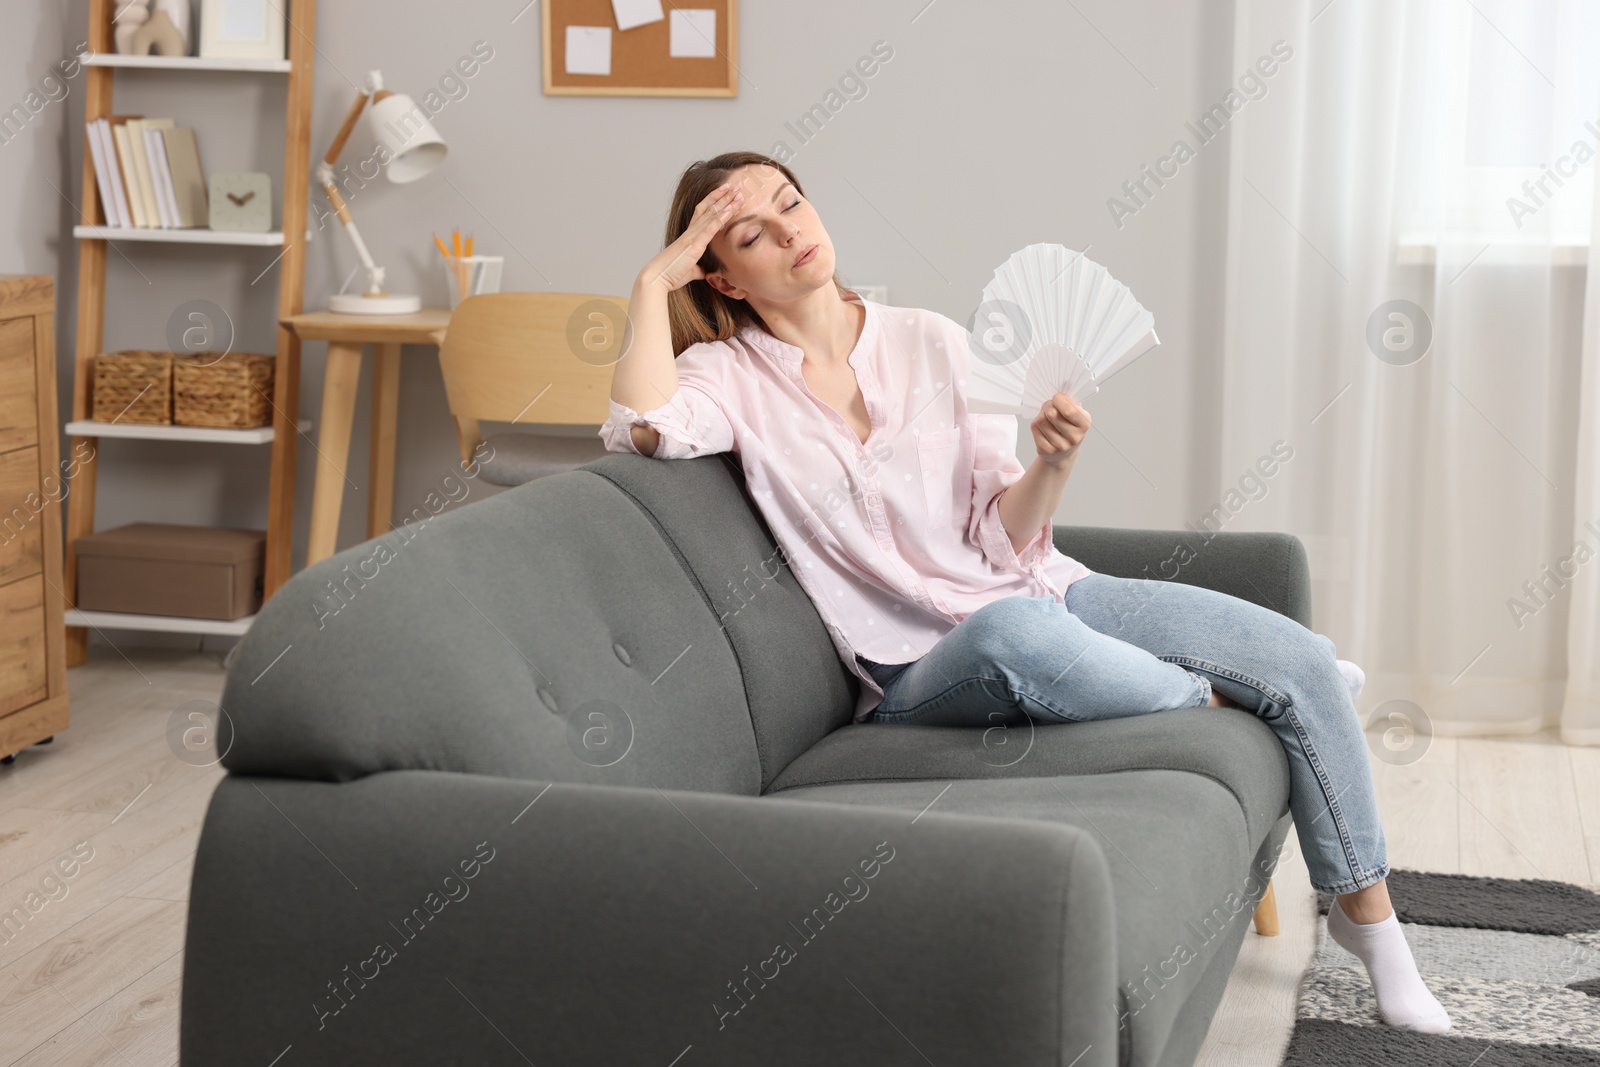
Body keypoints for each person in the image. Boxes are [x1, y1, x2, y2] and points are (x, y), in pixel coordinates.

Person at [599, 150, 1450, 1034]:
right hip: (920, 664)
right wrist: (655, 277)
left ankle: (1374, 929)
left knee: (1303, 657)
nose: (789, 233)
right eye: (749, 235)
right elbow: (639, 427)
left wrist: (1054, 461)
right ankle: (1224, 695)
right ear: (721, 274)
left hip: (1040, 585)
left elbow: (1005, 533)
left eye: (792, 204)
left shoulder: (930, 339)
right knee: (1016, 636)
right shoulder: (727, 379)